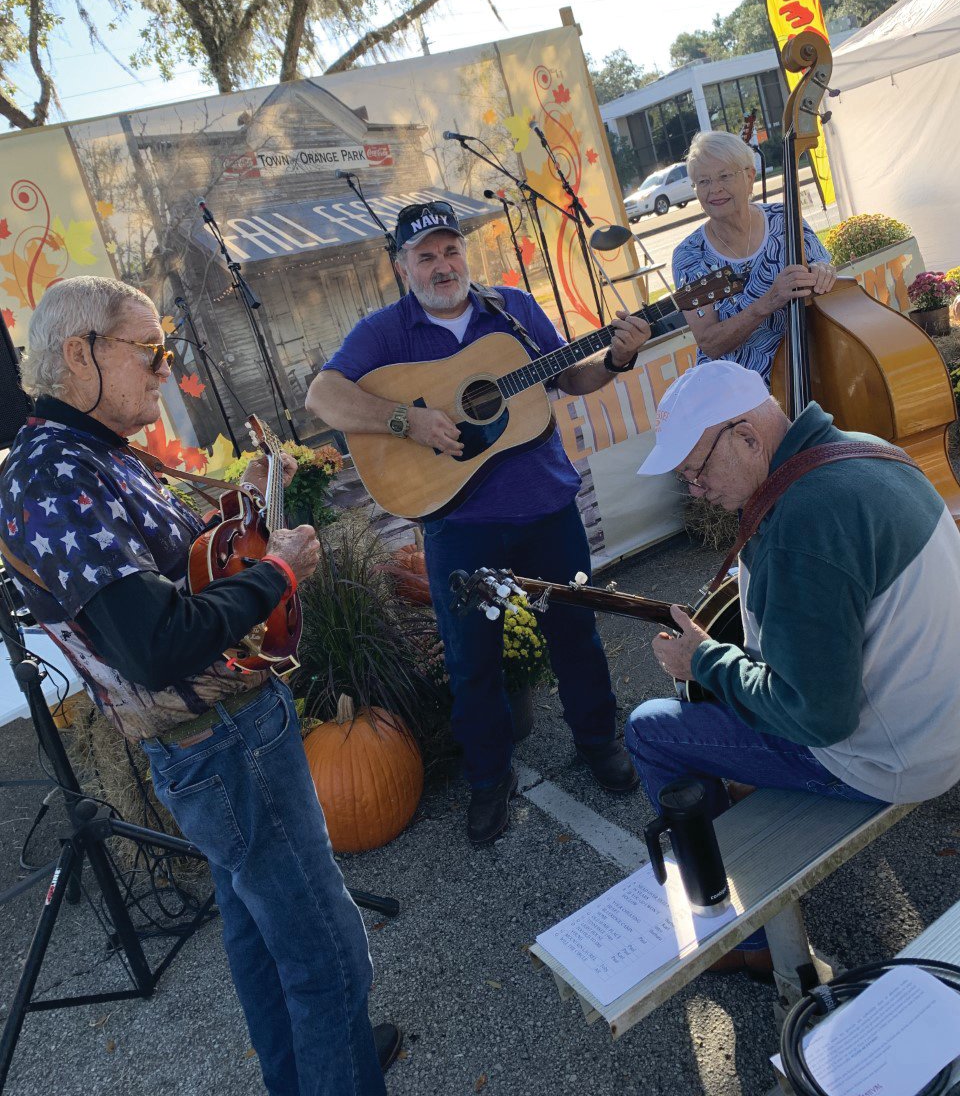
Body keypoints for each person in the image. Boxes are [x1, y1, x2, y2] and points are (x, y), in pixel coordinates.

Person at [0, 275, 398, 1096]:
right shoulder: (51, 475)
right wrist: (279, 571)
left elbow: (173, 582)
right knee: (328, 958)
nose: (163, 367)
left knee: (262, 941)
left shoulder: (91, 455)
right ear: (79, 354)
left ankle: (323, 1069)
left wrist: (241, 526)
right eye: (149, 351)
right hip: (222, 748)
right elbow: (154, 644)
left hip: (225, 741)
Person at [306, 200, 651, 845]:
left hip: (546, 505)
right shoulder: (387, 332)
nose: (442, 266)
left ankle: (599, 742)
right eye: (426, 255)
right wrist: (406, 421)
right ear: (401, 265)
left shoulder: (512, 310)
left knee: (575, 632)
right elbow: (322, 396)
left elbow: (569, 377)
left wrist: (618, 358)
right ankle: (490, 781)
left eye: (450, 250)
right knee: (472, 662)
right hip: (459, 522)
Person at [625, 360, 960, 967]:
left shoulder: (800, 525)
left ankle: (745, 938)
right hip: (944, 716)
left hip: (900, 761)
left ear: (748, 438)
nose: (696, 493)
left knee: (650, 728)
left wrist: (703, 660)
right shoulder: (862, 447)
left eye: (696, 472)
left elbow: (818, 717)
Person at [672, 129, 838, 382]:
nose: (714, 189)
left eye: (724, 176)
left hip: (810, 371)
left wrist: (824, 272)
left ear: (750, 177)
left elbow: (823, 267)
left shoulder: (786, 218)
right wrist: (768, 301)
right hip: (739, 391)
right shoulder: (690, 255)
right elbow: (710, 343)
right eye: (703, 182)